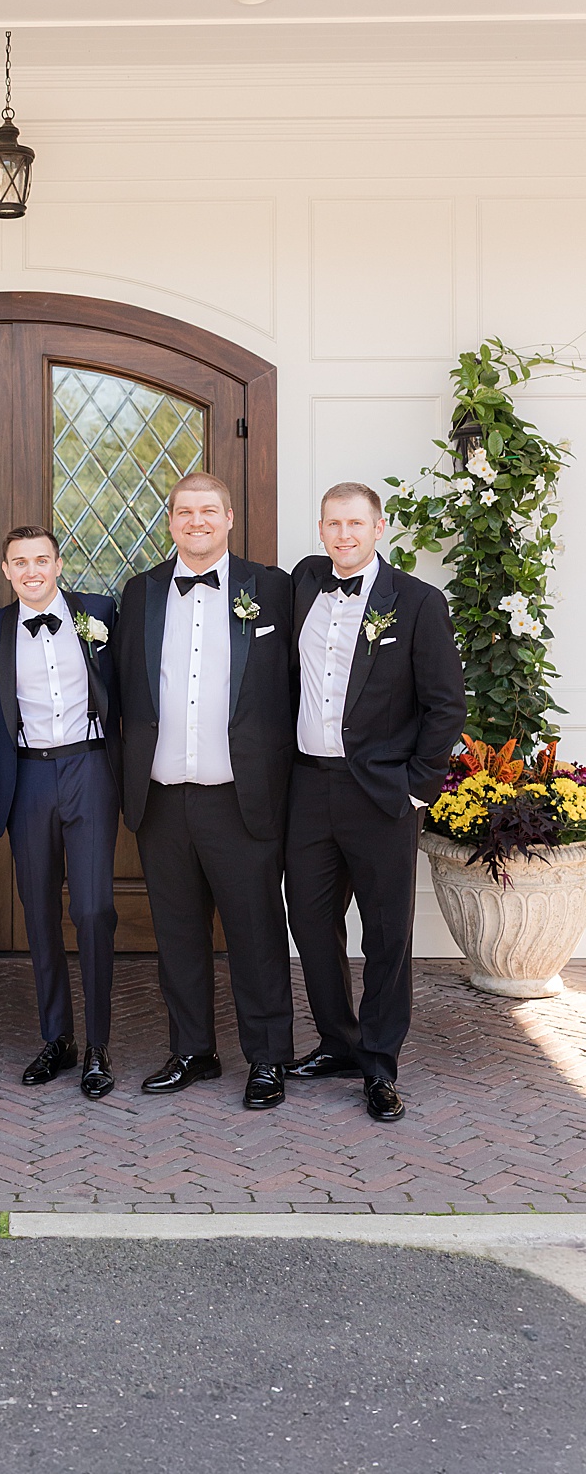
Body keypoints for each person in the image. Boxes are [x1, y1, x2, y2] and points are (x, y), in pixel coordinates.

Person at [114, 472, 300, 1110]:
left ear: (229, 518)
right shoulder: (139, 592)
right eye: (185, 512)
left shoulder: (272, 589)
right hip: (162, 795)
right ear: (171, 522)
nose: (197, 522)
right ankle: (192, 1050)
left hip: (241, 795)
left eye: (208, 511)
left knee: (256, 933)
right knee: (177, 934)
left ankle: (269, 1057)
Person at [282, 481, 465, 1123]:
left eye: (356, 523)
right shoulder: (304, 582)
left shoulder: (416, 602)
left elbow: (446, 704)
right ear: (321, 529)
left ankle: (380, 1063)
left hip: (382, 792)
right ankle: (339, 1042)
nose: (344, 535)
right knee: (310, 921)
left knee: (387, 932)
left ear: (379, 527)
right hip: (307, 785)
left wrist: (417, 786)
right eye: (333, 523)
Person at [0, 526, 121, 1098]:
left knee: (93, 909)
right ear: (6, 571)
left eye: (41, 559)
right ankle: (57, 1038)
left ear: (59, 564)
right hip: (29, 774)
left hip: (90, 767)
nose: (31, 571)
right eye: (20, 562)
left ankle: (98, 1045)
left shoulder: (101, 613)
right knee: (38, 910)